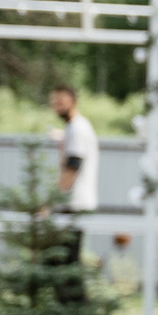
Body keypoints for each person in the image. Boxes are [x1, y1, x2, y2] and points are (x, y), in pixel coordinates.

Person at [49, 85, 101, 263]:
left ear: (72, 101)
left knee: (65, 262)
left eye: (60, 102)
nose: (56, 106)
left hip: (74, 204)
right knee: (68, 262)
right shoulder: (72, 128)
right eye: (54, 103)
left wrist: (51, 201)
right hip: (72, 203)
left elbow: (72, 167)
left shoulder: (78, 128)